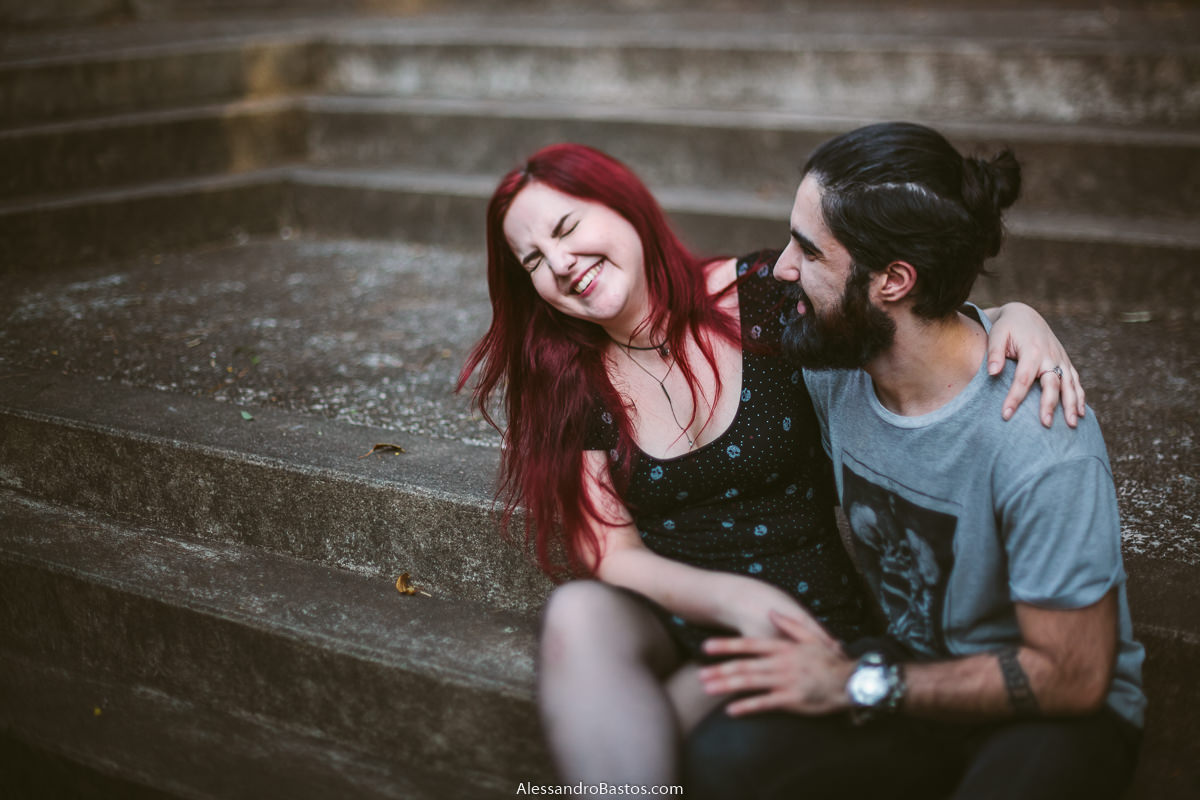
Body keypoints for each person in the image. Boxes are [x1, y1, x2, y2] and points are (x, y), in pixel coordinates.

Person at [458, 142, 1085, 791]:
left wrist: (1013, 316)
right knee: (577, 614)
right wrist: (731, 597)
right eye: (532, 258)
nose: (559, 264)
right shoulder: (567, 371)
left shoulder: (762, 295)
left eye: (566, 228)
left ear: (625, 208)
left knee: (674, 748)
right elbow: (607, 549)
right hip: (677, 613)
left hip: (803, 624)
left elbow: (896, 320)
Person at [689, 122, 1144, 799]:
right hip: (915, 666)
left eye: (808, 250)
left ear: (895, 280)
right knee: (726, 758)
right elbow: (650, 303)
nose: (781, 268)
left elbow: (1072, 677)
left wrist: (853, 683)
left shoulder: (1039, 440)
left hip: (1055, 711)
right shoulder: (834, 360)